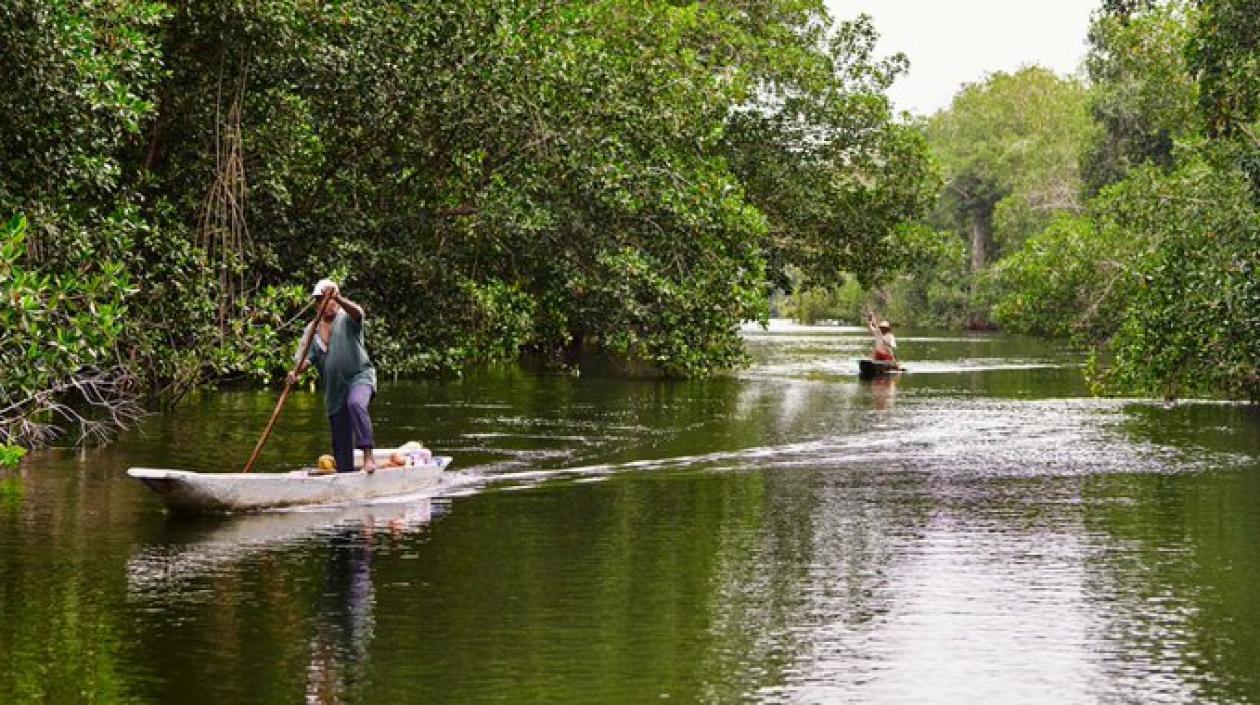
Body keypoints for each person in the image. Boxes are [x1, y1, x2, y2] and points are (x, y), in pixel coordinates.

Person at [290, 279, 378, 473]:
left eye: (329, 299)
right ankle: (345, 474)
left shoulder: (347, 319)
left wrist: (339, 297)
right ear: (316, 304)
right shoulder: (311, 330)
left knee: (356, 404)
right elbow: (305, 361)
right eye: (321, 300)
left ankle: (368, 457)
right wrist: (295, 373)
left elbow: (359, 313)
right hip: (334, 390)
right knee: (340, 440)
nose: (326, 304)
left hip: (359, 377)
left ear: (336, 300)